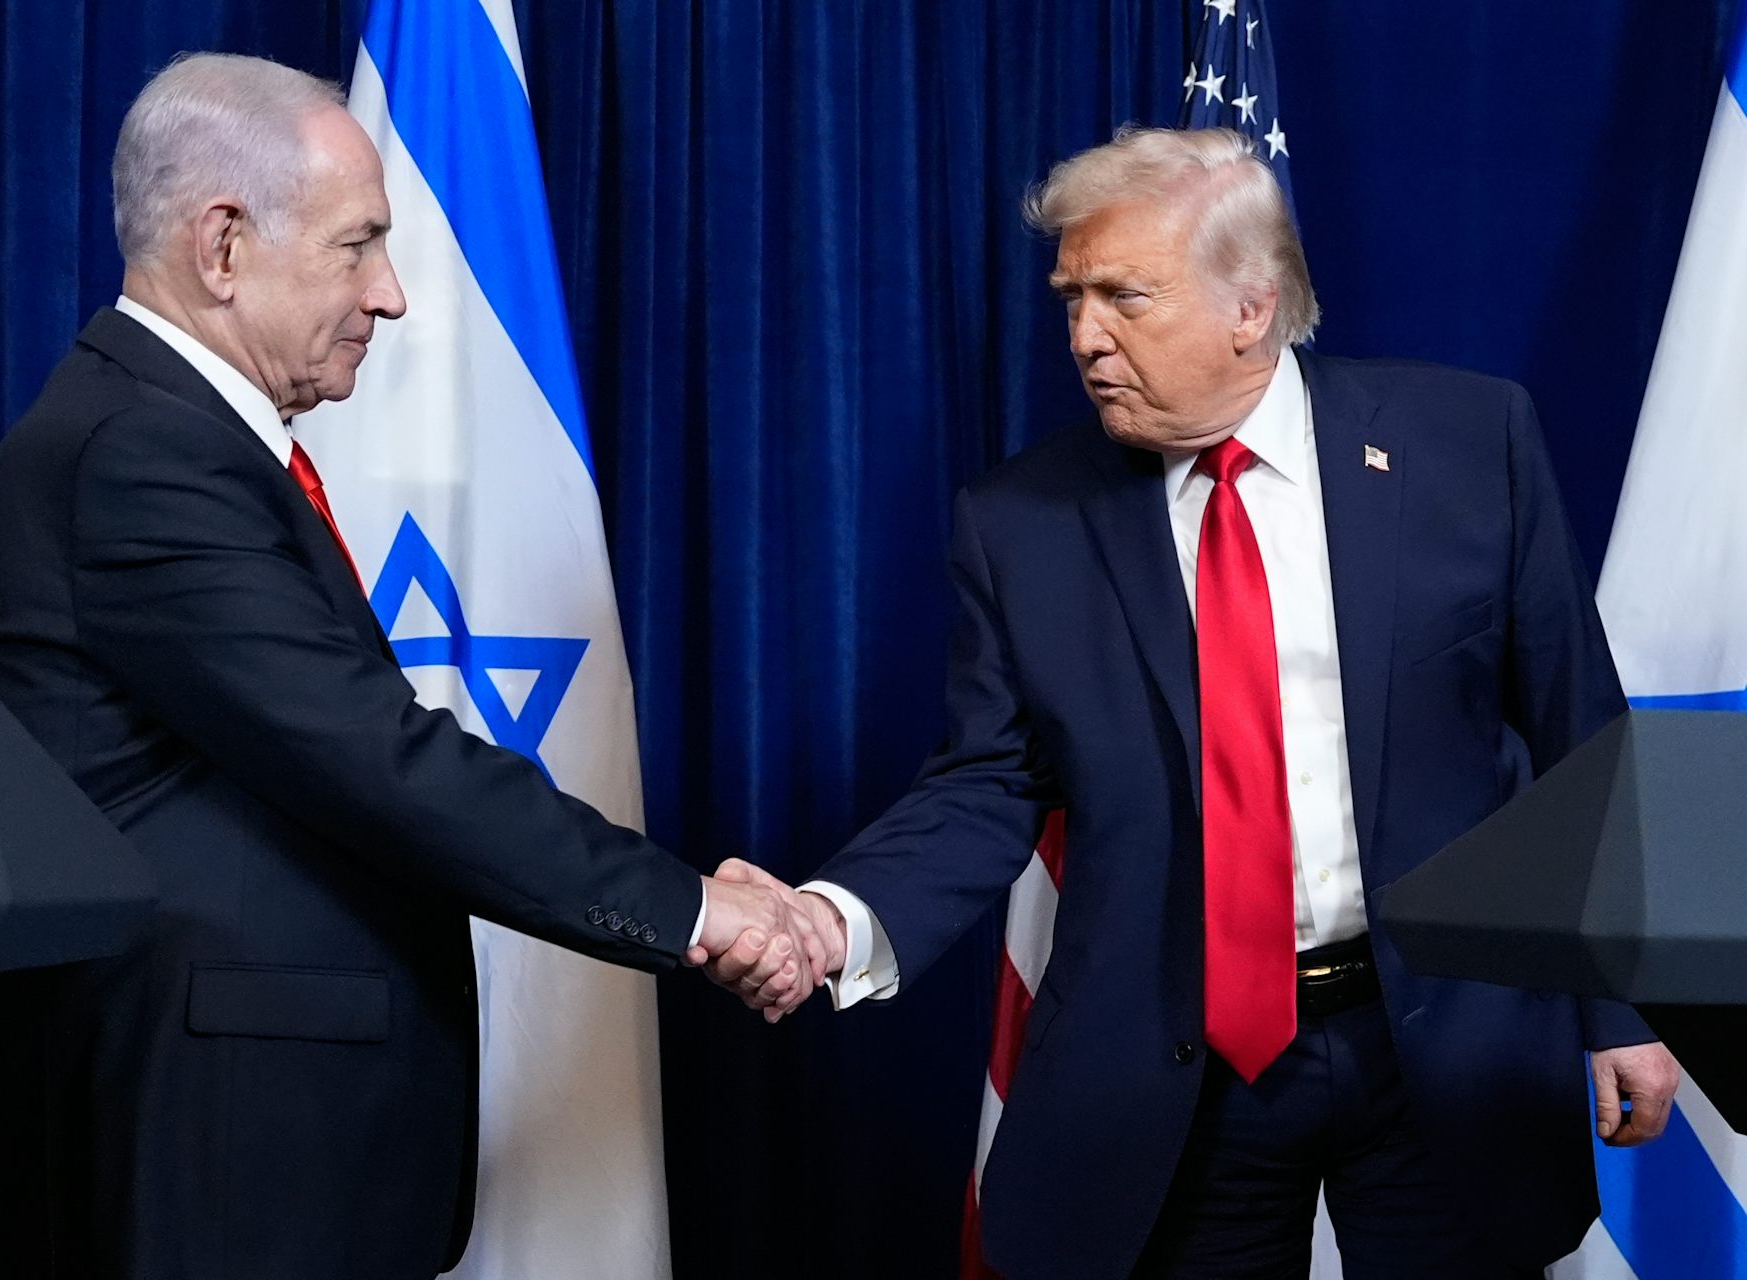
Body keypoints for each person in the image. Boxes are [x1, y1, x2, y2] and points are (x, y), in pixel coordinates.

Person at [718, 127, 1680, 1278]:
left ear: (1251, 306)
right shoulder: (1020, 522)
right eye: (1073, 296)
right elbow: (986, 781)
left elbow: (1583, 732)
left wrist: (1627, 1006)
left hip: (1446, 1038)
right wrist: (836, 915)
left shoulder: (1472, 444)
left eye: (1124, 295)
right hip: (1181, 1068)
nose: (1084, 335)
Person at [0, 53, 816, 1280]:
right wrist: (696, 909)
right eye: (358, 245)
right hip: (209, 1154)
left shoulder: (172, 438)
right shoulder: (139, 456)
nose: (395, 294)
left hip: (256, 1146)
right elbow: (377, 757)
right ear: (223, 247)